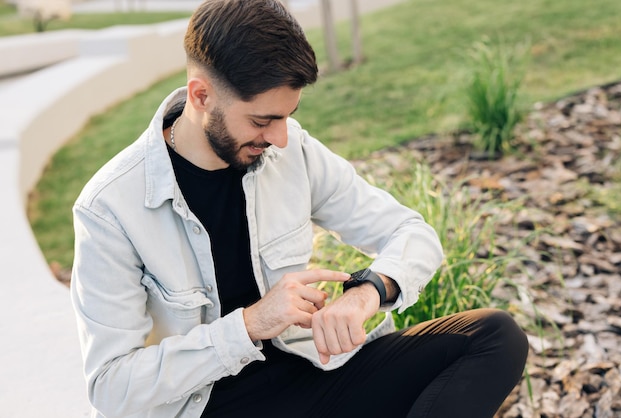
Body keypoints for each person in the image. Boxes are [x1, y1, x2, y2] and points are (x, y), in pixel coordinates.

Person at [70, 0, 529, 417]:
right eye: (262, 120)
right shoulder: (110, 207)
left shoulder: (290, 152)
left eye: (286, 116)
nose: (280, 137)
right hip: (207, 408)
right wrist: (250, 325)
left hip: (313, 381)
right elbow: (112, 387)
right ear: (201, 96)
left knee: (493, 338)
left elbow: (411, 233)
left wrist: (365, 293)